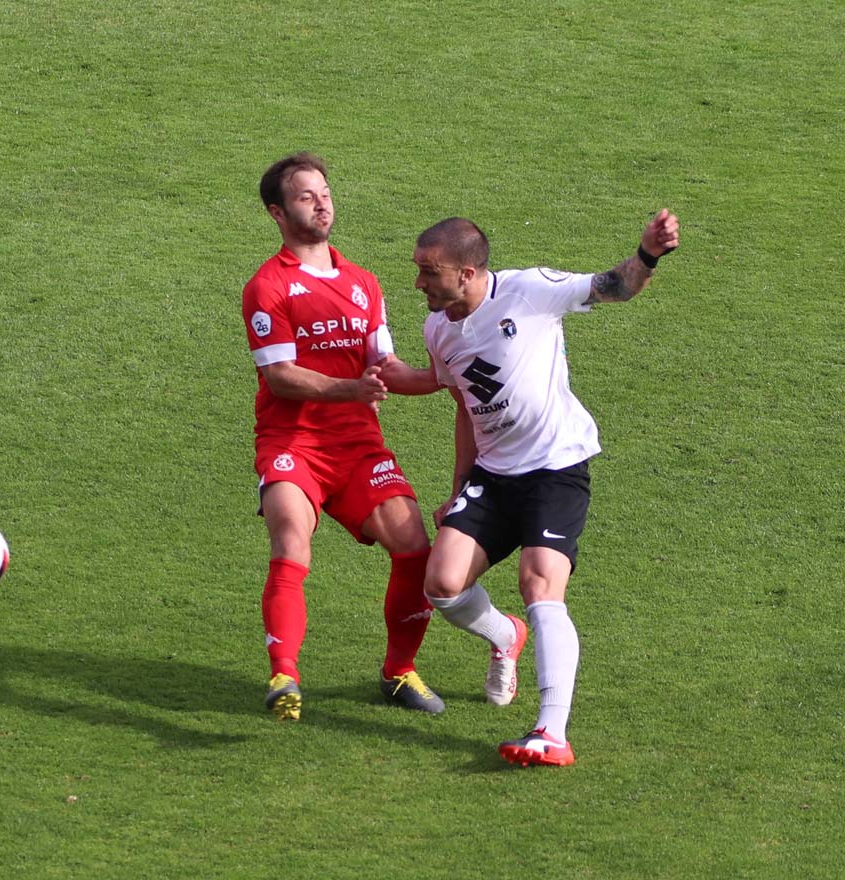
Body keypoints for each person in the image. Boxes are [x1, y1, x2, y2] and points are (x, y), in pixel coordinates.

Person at [380, 209, 680, 765]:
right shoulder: (438, 326)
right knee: (442, 586)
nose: (419, 281)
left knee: (540, 584)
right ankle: (504, 636)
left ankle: (551, 731)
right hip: (492, 477)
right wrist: (459, 487)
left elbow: (615, 287)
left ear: (467, 272)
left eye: (429, 270)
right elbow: (464, 408)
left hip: (555, 468)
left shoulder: (531, 291)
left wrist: (648, 254)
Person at [241, 152, 444, 721]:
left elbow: (386, 366)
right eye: (306, 196)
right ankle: (284, 676)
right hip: (292, 443)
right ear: (277, 213)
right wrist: (348, 389)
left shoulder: (363, 282)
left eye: (325, 192)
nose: (322, 202)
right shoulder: (267, 287)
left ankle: (398, 673)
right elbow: (279, 377)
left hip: (358, 447)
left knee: (415, 548)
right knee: (290, 539)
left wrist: (443, 377)